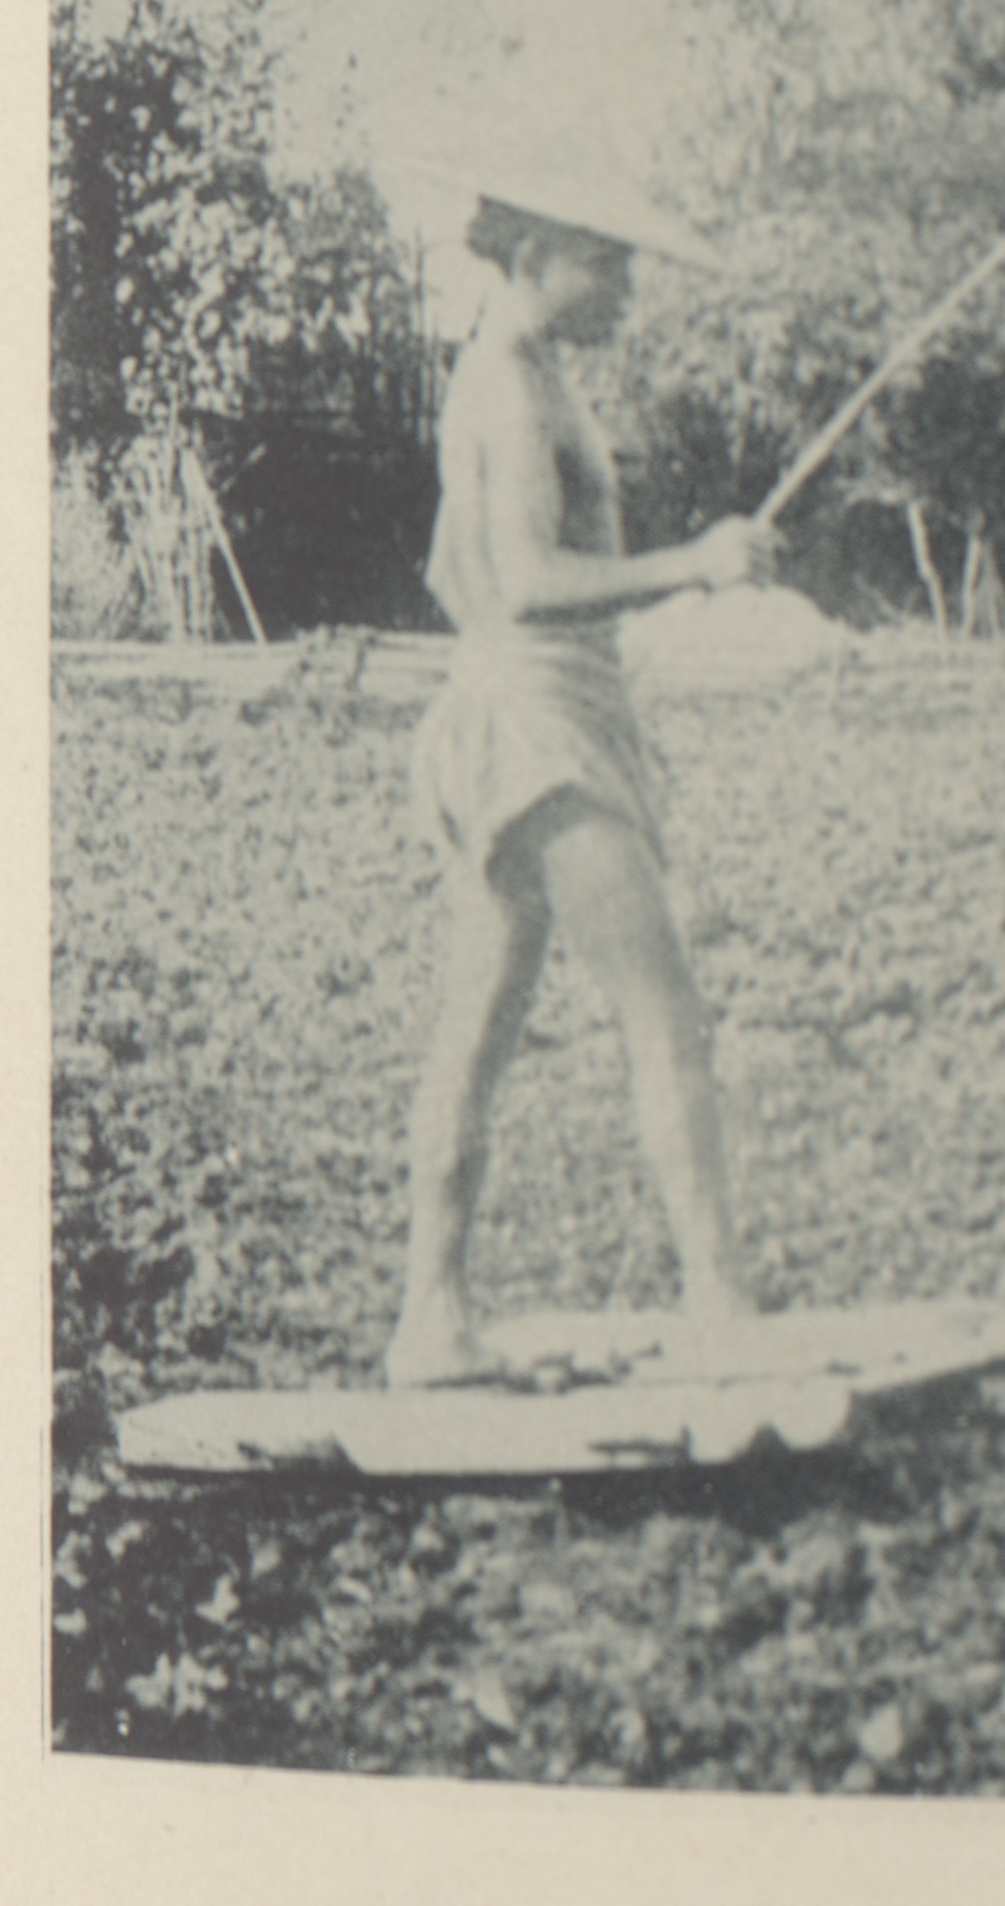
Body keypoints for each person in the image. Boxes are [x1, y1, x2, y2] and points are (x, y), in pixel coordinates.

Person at [383, 171, 781, 1388]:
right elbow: (532, 581)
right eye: (607, 263)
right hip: (538, 722)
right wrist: (701, 566)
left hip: (531, 714)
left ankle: (430, 1324)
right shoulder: (505, 387)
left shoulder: (526, 369)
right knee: (662, 1011)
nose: (624, 288)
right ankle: (716, 1306)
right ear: (542, 252)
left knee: (481, 1029)